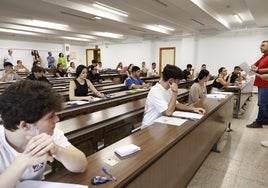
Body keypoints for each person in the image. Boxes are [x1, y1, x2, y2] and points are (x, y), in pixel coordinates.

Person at [0, 80, 87, 187]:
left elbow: (81, 166)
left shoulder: (49, 133)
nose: (57, 119)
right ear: (24, 125)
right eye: (50, 117)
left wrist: (58, 150)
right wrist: (24, 161)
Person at [141, 64, 206, 129]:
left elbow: (176, 104)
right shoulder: (156, 90)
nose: (179, 83)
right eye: (178, 81)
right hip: (150, 126)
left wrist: (194, 109)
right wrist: (175, 92)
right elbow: (168, 112)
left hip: (162, 123)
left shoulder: (168, 89)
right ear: (171, 80)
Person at [246, 40, 268, 129]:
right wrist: (254, 67)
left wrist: (258, 70)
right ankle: (266, 119)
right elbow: (253, 65)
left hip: (265, 83)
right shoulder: (263, 57)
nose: (260, 47)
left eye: (263, 45)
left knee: (262, 103)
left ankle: (259, 122)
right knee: (265, 103)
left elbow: (259, 69)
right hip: (261, 82)